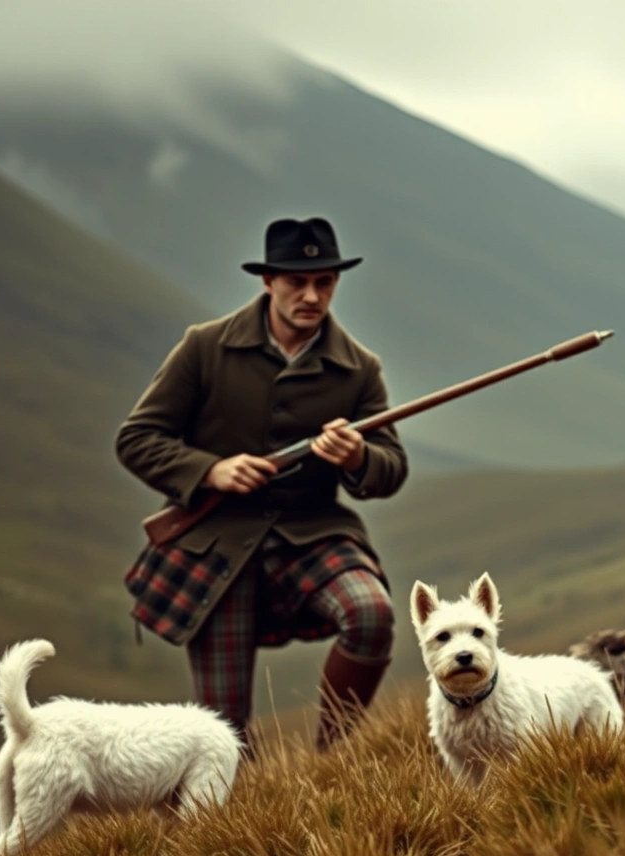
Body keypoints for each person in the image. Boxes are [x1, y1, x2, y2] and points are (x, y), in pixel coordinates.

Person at [117, 217, 407, 751]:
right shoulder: (204, 347)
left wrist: (359, 455)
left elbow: (391, 467)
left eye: (325, 283)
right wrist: (210, 470)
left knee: (372, 614)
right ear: (268, 281)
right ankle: (232, 823)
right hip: (216, 545)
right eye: (298, 283)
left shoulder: (361, 368)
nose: (312, 296)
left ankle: (331, 759)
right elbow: (137, 438)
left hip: (314, 534)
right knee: (223, 732)